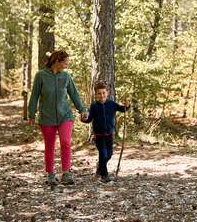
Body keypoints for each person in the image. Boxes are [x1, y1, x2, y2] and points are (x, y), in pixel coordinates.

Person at [28, 49, 87, 186]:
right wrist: (32, 114)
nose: (67, 65)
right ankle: (50, 174)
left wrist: (82, 109)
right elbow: (34, 96)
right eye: (65, 63)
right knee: (50, 146)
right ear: (57, 61)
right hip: (47, 117)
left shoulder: (66, 77)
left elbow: (74, 94)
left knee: (66, 142)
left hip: (65, 115)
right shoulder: (41, 76)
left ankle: (66, 173)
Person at [81, 82, 129, 182]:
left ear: (107, 93)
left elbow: (122, 109)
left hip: (109, 135)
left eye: (103, 93)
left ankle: (100, 167)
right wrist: (83, 119)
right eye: (99, 93)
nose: (101, 95)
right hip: (99, 135)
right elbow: (89, 119)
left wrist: (127, 106)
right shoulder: (94, 106)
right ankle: (104, 176)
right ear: (96, 95)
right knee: (103, 154)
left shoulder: (111, 104)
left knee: (109, 154)